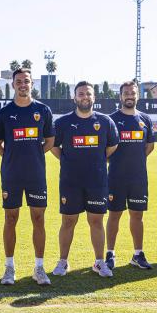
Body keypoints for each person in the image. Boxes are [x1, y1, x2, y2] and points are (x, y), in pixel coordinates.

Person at [0, 68, 55, 286]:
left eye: (26, 81)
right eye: (19, 81)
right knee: (11, 219)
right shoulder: (4, 113)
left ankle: (39, 267)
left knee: (38, 218)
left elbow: (49, 141)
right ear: (13, 84)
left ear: (31, 84)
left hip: (36, 174)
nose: (23, 84)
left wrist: (33, 155)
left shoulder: (43, 110)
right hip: (11, 174)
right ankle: (9, 267)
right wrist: (13, 156)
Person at [51, 81, 118, 278]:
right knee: (68, 221)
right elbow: (55, 147)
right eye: (81, 94)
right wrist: (67, 159)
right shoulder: (62, 123)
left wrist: (98, 160)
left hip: (97, 180)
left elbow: (112, 147)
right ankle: (63, 262)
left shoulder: (105, 122)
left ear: (94, 97)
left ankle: (99, 262)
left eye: (88, 93)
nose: (84, 97)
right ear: (75, 98)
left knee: (96, 220)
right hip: (71, 180)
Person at [106, 81, 155, 270]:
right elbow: (106, 149)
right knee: (114, 215)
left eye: (132, 93)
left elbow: (149, 147)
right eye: (126, 93)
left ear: (137, 96)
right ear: (120, 96)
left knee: (137, 215)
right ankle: (110, 253)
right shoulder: (111, 120)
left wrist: (135, 161)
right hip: (116, 176)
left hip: (138, 177)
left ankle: (137, 254)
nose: (129, 96)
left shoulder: (145, 119)